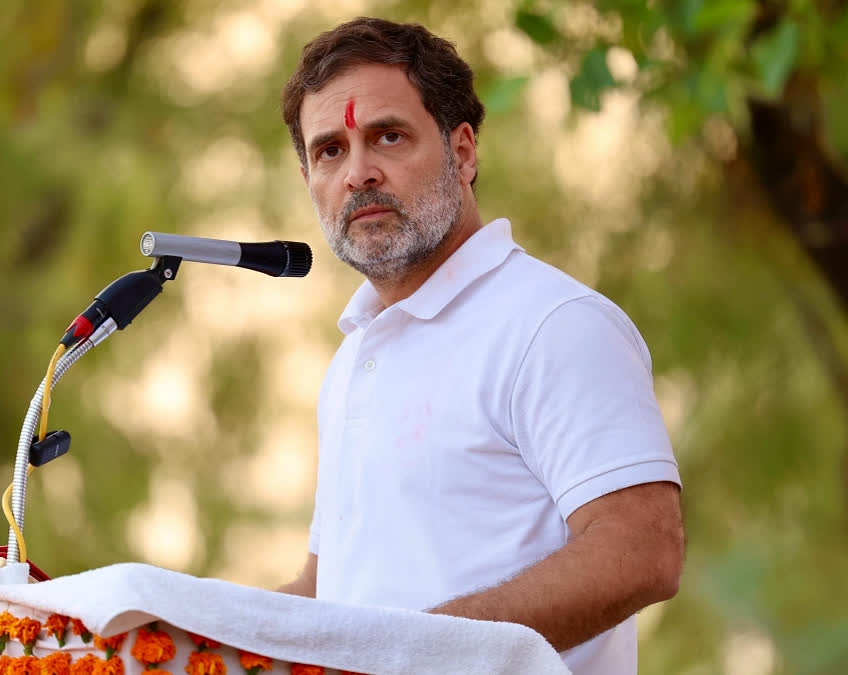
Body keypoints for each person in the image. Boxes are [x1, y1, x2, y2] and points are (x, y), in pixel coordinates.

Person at [273, 17, 684, 675]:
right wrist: (160, 637)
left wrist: (408, 653)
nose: (358, 173)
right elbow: (330, 594)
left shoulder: (553, 324)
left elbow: (642, 551)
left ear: (462, 152)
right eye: (330, 151)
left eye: (388, 135)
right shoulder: (350, 361)